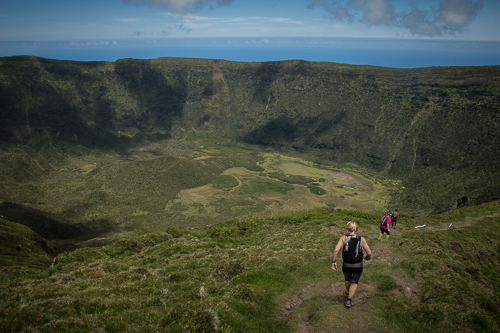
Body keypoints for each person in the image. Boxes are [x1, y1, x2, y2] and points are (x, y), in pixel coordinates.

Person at [332, 221, 372, 308]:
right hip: (358, 265)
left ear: (348, 229)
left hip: (346, 264)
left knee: (347, 279)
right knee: (355, 281)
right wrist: (367, 257)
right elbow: (369, 252)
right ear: (357, 229)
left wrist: (334, 261)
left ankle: (348, 292)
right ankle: (349, 300)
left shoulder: (343, 238)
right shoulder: (361, 239)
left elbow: (336, 250)